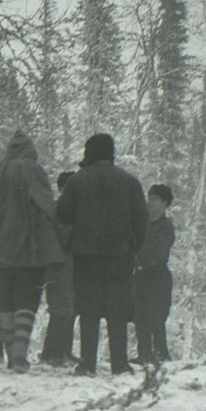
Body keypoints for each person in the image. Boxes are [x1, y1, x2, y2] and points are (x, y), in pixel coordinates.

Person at [56, 134, 149, 376]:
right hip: (120, 255)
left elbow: (63, 214)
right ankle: (119, 363)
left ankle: (88, 363)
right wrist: (134, 248)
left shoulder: (77, 181)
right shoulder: (129, 182)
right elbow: (142, 221)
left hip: (85, 254)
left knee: (88, 309)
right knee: (117, 309)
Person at [0, 131, 65, 372]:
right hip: (28, 247)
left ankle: (10, 352)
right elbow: (44, 203)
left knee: (5, 301)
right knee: (26, 300)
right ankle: (19, 355)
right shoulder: (32, 170)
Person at [131, 184, 175, 364]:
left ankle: (160, 354)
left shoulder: (165, 226)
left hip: (157, 275)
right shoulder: (141, 224)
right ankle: (144, 354)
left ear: (165, 203)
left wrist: (134, 256)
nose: (150, 202)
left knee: (156, 315)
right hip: (139, 275)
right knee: (139, 315)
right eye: (149, 198)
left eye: (155, 199)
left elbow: (156, 252)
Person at [40, 171, 78, 366]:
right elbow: (64, 237)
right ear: (62, 188)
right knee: (61, 307)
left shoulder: (68, 208)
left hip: (67, 264)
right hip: (59, 264)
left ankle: (63, 351)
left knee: (69, 307)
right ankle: (52, 353)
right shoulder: (60, 209)